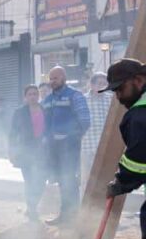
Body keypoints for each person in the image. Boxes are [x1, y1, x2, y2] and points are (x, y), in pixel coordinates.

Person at [102, 60, 146, 239]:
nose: (118, 96)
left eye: (120, 88)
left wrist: (121, 181)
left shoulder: (140, 115)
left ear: (139, 80)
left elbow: (140, 159)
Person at [42, 65, 90, 225]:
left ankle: (73, 217)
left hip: (68, 147)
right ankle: (65, 215)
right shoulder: (48, 100)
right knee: (62, 180)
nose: (52, 81)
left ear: (63, 78)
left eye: (55, 78)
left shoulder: (74, 96)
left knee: (69, 180)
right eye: (50, 78)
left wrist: (72, 138)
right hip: (53, 148)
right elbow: (44, 123)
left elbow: (84, 120)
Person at [9, 85, 47, 221]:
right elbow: (12, 134)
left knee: (42, 180)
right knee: (30, 181)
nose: (33, 97)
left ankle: (33, 205)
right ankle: (31, 209)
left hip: (42, 151)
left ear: (39, 96)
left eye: (35, 94)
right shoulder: (19, 112)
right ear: (25, 97)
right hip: (25, 151)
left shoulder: (45, 109)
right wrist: (11, 151)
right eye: (30, 94)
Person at [81, 72, 111, 186]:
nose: (102, 86)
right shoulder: (82, 100)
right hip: (87, 147)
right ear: (92, 85)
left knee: (105, 180)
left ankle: (101, 203)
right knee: (87, 180)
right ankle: (85, 203)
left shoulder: (111, 100)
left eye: (105, 84)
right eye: (99, 83)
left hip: (105, 148)